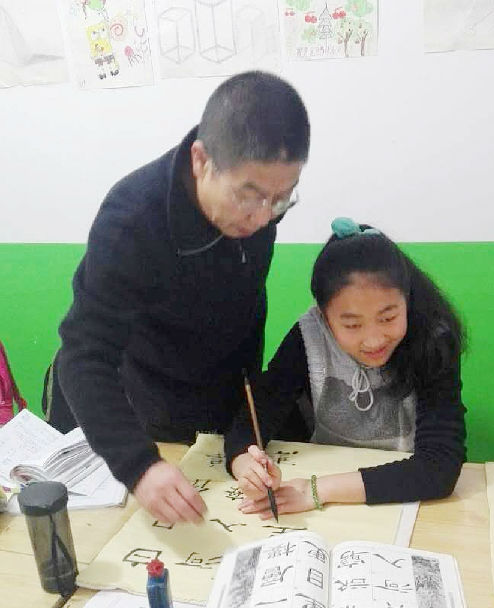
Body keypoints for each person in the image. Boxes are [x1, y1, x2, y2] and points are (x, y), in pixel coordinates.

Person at [43, 71, 310, 526]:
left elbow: (246, 300)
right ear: (201, 160)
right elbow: (83, 356)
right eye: (249, 196)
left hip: (225, 395)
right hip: (151, 403)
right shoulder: (132, 221)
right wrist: (139, 466)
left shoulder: (259, 207)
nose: (263, 218)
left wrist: (243, 430)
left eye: (281, 199)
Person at [225, 217, 466, 516]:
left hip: (404, 498)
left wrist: (315, 491)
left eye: (388, 318)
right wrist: (246, 466)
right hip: (334, 498)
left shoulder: (432, 340)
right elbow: (254, 416)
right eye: (352, 325)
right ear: (324, 317)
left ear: (406, 300)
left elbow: (439, 467)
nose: (374, 339)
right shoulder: (309, 336)